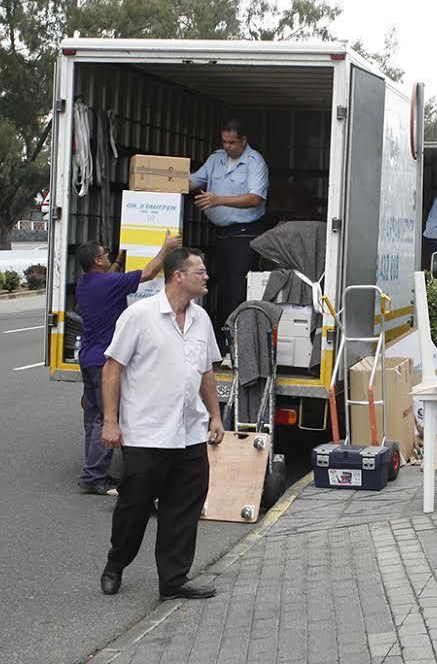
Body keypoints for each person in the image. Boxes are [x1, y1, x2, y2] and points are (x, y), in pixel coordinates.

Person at [98, 247, 224, 600]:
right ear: (179, 276)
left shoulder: (201, 319)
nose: (206, 277)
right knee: (133, 507)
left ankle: (173, 580)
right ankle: (116, 562)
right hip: (147, 432)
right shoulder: (140, 315)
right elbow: (112, 368)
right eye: (200, 271)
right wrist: (111, 421)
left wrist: (215, 415)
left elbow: (206, 371)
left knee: (183, 509)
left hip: (189, 431)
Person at [74, 233, 181, 495]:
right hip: (104, 361)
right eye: (106, 254)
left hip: (87, 357)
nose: (109, 255)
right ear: (98, 261)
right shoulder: (109, 283)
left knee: (92, 419)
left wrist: (118, 262)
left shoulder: (86, 284)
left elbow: (109, 276)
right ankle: (94, 477)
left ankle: (93, 471)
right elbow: (147, 273)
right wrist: (166, 249)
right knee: (105, 417)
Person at [189, 119, 269, 351]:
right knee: (221, 289)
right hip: (222, 235)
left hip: (244, 236)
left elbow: (255, 198)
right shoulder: (216, 159)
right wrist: (162, 179)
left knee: (238, 291)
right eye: (223, 141)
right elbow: (194, 181)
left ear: (244, 140)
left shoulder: (255, 162)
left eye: (231, 142)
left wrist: (218, 199)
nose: (227, 146)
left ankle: (239, 347)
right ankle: (224, 344)